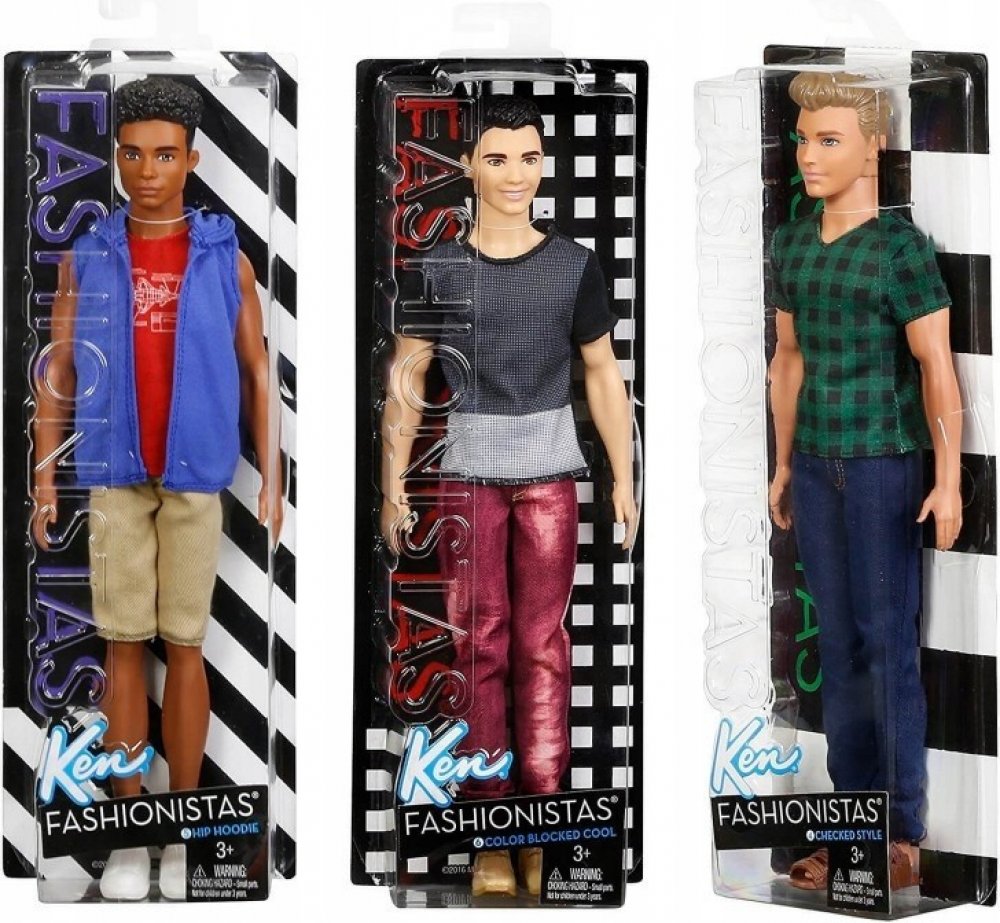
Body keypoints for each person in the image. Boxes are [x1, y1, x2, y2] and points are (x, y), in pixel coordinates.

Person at [381, 95, 637, 897]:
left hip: (551, 475)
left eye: (528, 157)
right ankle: (490, 822)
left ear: (544, 164)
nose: (515, 174)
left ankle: (544, 817)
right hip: (467, 478)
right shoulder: (439, 268)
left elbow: (603, 373)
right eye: (496, 157)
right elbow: (406, 379)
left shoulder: (572, 265)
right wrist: (391, 484)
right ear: (468, 166)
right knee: (477, 646)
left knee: (543, 647)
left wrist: (625, 476)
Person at [32, 76, 281, 901]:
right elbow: (58, 371)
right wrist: (44, 476)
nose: (147, 172)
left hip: (196, 475)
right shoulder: (90, 254)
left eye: (165, 155)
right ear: (115, 157)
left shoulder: (223, 256)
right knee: (123, 647)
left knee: (186, 646)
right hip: (111, 474)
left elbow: (259, 372)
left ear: (192, 161)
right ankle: (129, 829)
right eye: (132, 154)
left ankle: (182, 827)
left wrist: (275, 477)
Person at [768, 71, 962, 891]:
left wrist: (948, 478)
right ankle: (854, 827)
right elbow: (788, 358)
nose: (809, 156)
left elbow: (936, 367)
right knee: (839, 647)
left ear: (873, 146)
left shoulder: (898, 249)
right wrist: (783, 462)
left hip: (885, 461)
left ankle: (901, 833)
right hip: (817, 464)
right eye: (803, 139)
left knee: (887, 646)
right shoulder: (792, 242)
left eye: (830, 139)